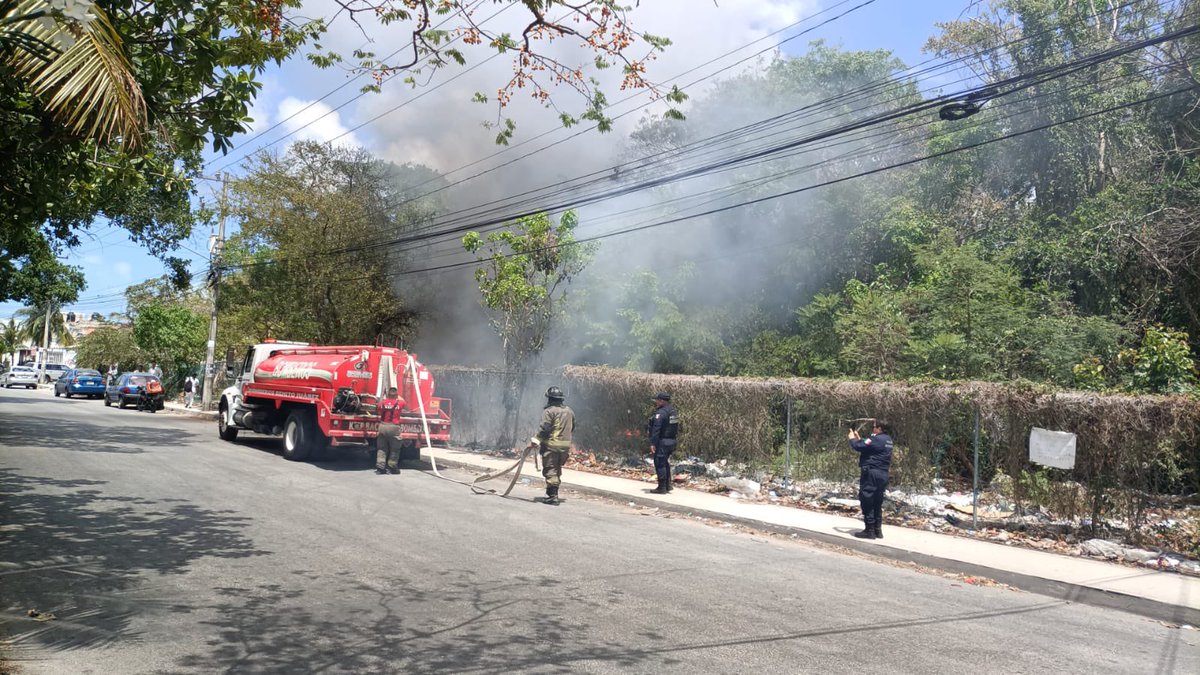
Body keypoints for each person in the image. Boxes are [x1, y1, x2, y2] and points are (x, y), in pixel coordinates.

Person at [848, 419, 894, 539]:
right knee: (877, 501)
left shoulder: (876, 439)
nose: (872, 429)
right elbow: (868, 446)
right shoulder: (888, 440)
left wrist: (852, 438)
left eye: (873, 427)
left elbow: (858, 447)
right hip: (883, 474)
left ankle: (869, 530)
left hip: (871, 474)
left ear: (879, 428)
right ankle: (877, 530)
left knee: (867, 499)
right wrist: (860, 439)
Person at [529, 386, 575, 505]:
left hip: (552, 445)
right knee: (557, 469)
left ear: (550, 398)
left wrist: (536, 441)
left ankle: (552, 496)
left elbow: (545, 428)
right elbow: (573, 427)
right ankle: (553, 493)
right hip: (565, 446)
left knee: (550, 469)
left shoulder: (549, 411)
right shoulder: (570, 411)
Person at [646, 392, 680, 494]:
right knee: (665, 462)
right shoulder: (673, 411)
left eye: (657, 400)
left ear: (662, 401)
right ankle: (668, 485)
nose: (656, 402)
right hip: (672, 440)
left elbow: (656, 429)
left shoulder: (660, 413)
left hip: (663, 441)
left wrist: (653, 443)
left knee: (660, 463)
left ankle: (662, 487)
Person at [375, 386, 406, 475]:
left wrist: (386, 398)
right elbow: (403, 401)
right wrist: (397, 396)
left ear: (387, 395)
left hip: (383, 426)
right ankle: (392, 468)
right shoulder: (400, 403)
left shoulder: (382, 403)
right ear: (396, 395)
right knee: (394, 449)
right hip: (394, 427)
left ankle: (380, 468)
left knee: (382, 448)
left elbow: (378, 410)